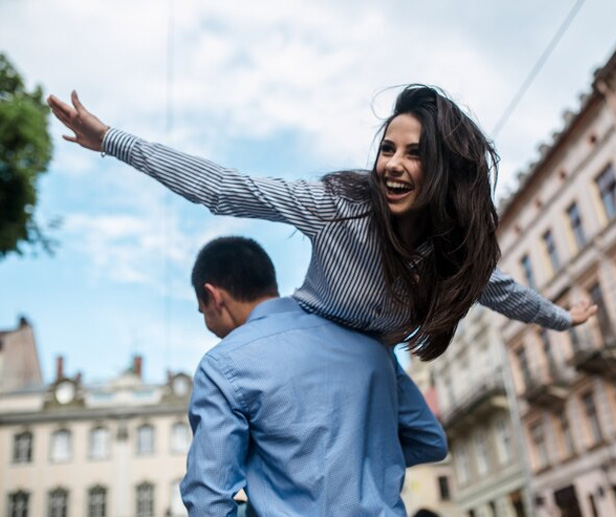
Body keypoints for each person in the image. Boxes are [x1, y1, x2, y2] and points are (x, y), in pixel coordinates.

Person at [47, 86, 597, 360]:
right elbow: (222, 190)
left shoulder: (454, 254)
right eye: (387, 149)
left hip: (372, 363)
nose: (393, 165)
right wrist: (111, 142)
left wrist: (565, 320)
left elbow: (507, 294)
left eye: (414, 152)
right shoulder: (339, 206)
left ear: (446, 171)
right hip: (302, 340)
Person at [180, 235, 448, 515]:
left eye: (203, 312)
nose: (209, 325)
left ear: (213, 296)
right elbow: (430, 441)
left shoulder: (222, 364)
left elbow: (207, 501)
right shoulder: (372, 343)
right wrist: (359, 462)